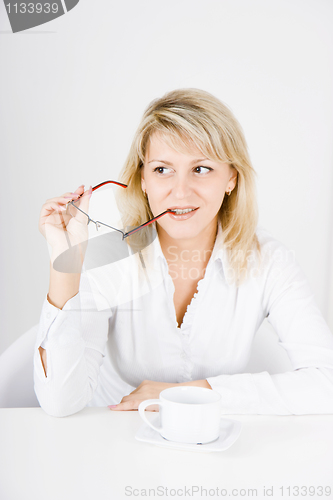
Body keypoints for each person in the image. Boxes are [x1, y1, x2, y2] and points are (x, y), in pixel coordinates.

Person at [34, 88, 333, 417]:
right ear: (143, 180)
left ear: (231, 177)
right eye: (162, 169)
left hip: (213, 444)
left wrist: (187, 394)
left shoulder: (268, 260)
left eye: (201, 169)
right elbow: (59, 402)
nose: (180, 191)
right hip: (116, 437)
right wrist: (64, 264)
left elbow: (326, 382)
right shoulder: (110, 256)